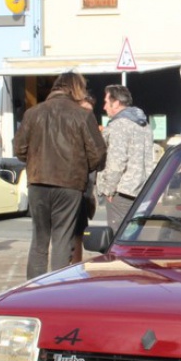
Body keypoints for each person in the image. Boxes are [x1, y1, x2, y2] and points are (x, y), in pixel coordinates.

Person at [14, 72, 106, 278]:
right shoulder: (82, 114)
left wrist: (36, 162)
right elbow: (98, 154)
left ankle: (34, 290)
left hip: (38, 181)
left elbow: (19, 149)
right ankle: (56, 290)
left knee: (39, 240)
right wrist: (82, 168)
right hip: (69, 184)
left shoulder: (33, 113)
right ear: (76, 88)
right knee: (62, 240)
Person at [98, 84, 157, 231]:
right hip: (143, 189)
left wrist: (109, 189)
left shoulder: (119, 125)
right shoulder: (143, 124)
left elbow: (117, 162)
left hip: (123, 191)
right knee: (136, 235)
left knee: (118, 237)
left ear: (116, 103)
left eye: (106, 102)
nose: (104, 107)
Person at [70, 93, 100, 264]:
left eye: (89, 111)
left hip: (83, 185)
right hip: (70, 183)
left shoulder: (90, 124)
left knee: (78, 231)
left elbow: (97, 153)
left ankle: (75, 265)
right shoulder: (70, 124)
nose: (86, 114)